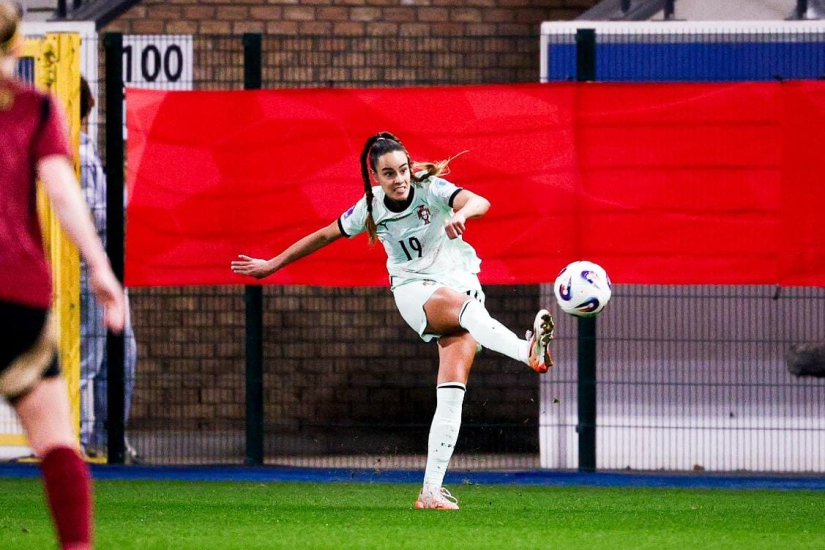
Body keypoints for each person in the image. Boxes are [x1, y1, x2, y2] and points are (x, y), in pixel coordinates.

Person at [231, 131, 555, 510]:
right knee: (468, 309)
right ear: (376, 178)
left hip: (456, 281)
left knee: (451, 394)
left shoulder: (431, 188)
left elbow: (480, 201)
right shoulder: (370, 207)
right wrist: (272, 264)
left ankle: (430, 491)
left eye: (402, 170)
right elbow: (323, 236)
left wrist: (461, 215)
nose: (399, 179)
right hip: (414, 292)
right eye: (389, 173)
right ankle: (526, 350)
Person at [0, 2, 125, 548]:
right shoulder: (34, 107)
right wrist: (100, 268)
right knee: (56, 443)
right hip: (16, 297)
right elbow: (61, 193)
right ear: (18, 46)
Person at [77, 76, 138, 461]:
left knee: (116, 355)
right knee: (91, 358)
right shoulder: (80, 155)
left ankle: (103, 439)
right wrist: (125, 186)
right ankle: (85, 440)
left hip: (101, 270)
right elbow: (92, 217)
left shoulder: (84, 151)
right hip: (89, 271)